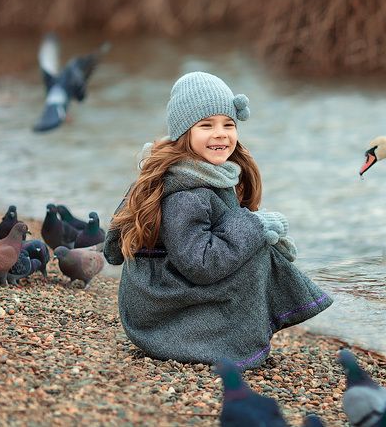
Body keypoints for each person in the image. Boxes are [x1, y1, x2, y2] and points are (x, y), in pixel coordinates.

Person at [104, 71, 332, 369]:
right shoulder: (186, 195)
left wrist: (254, 230)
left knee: (254, 244)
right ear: (184, 134)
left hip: (161, 302)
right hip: (160, 315)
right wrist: (254, 227)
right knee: (254, 253)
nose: (221, 133)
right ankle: (226, 343)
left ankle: (229, 332)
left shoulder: (206, 175)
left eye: (228, 124)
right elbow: (200, 265)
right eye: (206, 125)